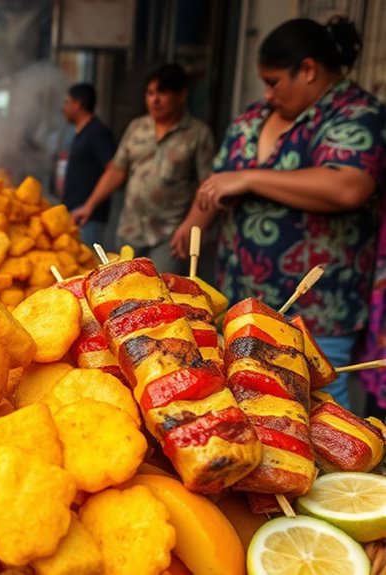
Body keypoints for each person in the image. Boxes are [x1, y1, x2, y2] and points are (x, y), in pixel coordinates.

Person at [188, 17, 386, 410]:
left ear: (308, 70)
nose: (267, 92)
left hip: (314, 310)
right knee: (249, 400)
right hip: (241, 299)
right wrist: (192, 224)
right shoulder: (255, 116)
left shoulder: (356, 114)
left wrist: (249, 179)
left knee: (319, 404)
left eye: (274, 81)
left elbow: (349, 186)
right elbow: (219, 178)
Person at [71, 63, 215, 274]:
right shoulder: (137, 128)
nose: (154, 99)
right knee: (125, 291)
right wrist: (89, 205)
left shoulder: (198, 134)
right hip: (130, 230)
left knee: (162, 295)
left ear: (182, 95)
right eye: (150, 93)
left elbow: (208, 187)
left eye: (162, 93)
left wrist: (191, 225)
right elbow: (116, 170)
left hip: (169, 236)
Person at [60, 83, 116, 247]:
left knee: (88, 267)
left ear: (78, 105)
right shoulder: (81, 132)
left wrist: (88, 205)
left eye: (67, 102)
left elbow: (113, 168)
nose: (64, 108)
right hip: (75, 214)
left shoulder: (96, 132)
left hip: (88, 218)